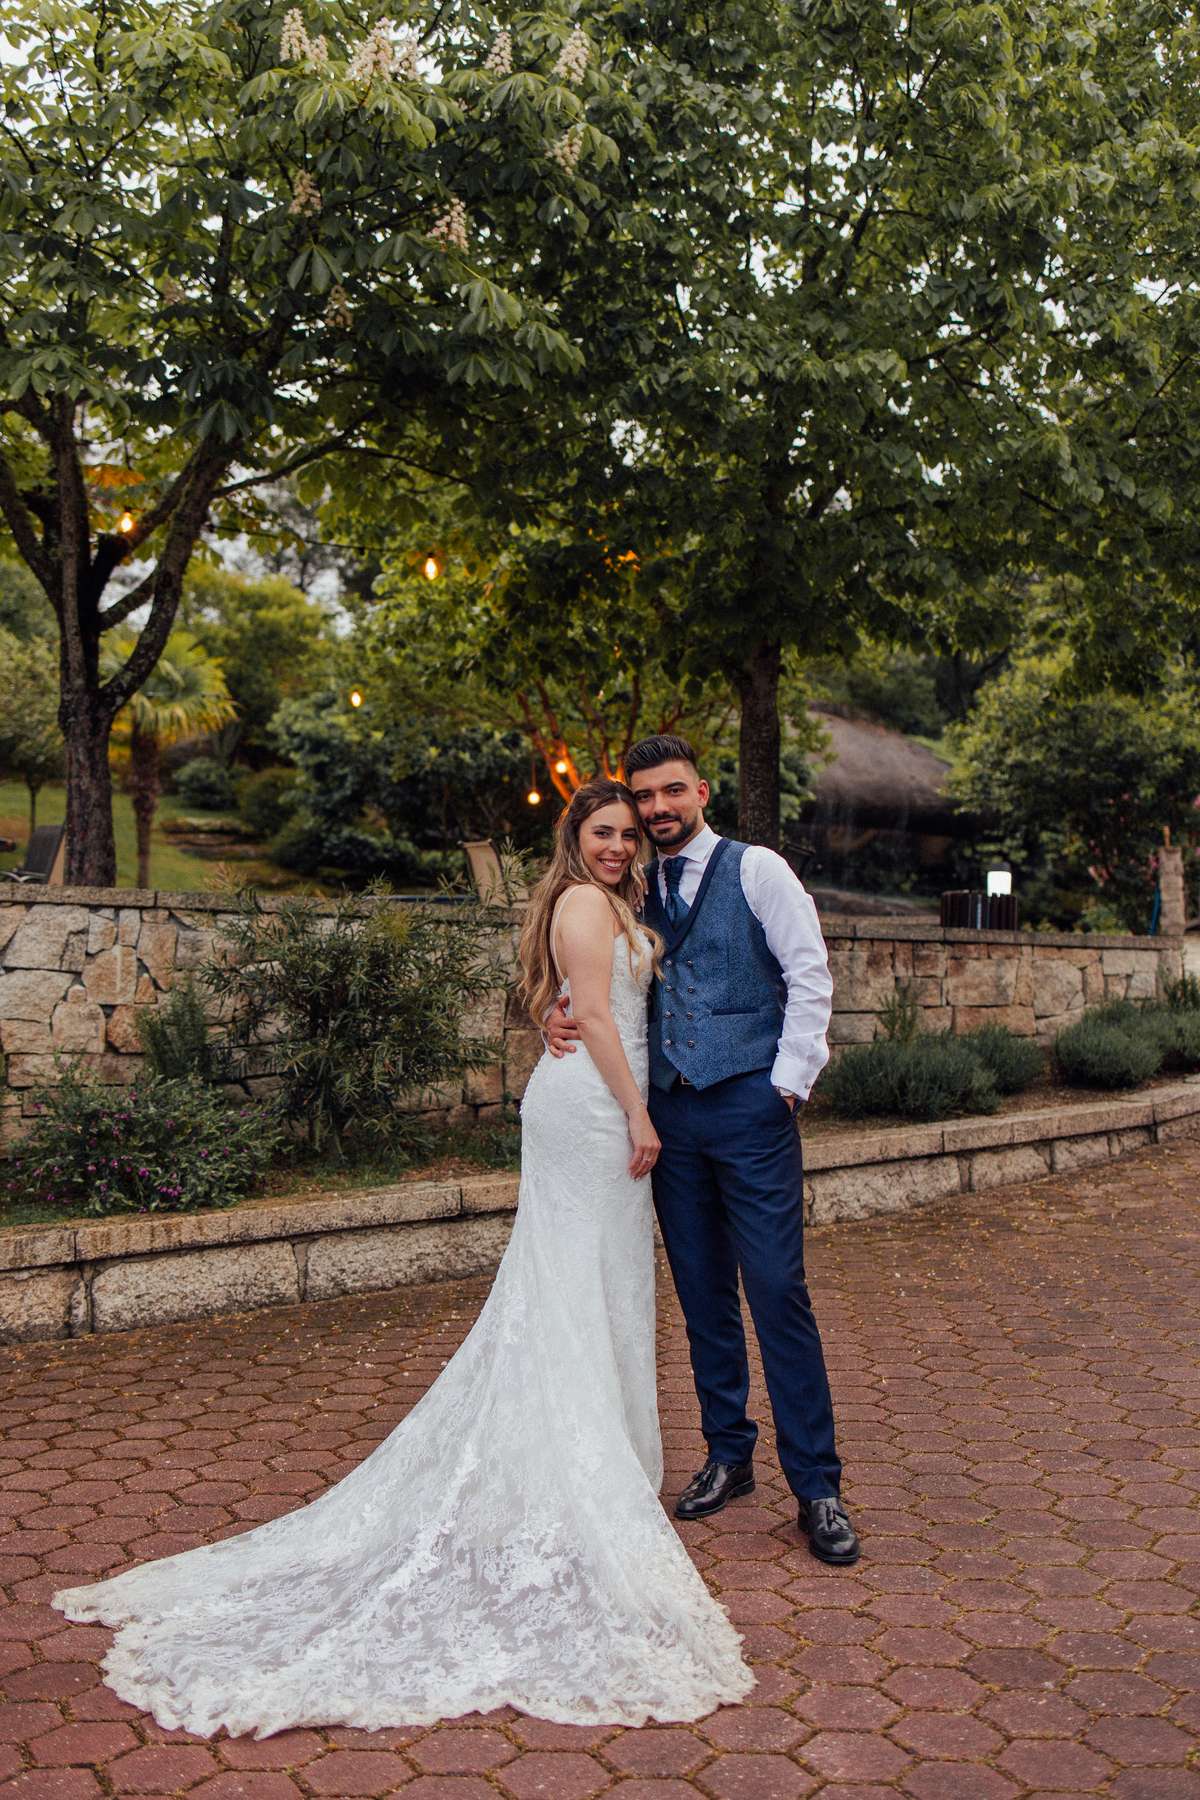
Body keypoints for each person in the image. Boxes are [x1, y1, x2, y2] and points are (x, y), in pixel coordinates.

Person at [50, 778, 752, 1739]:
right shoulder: (587, 903)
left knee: (589, 1289)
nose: (620, 846)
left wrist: (598, 1055)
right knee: (573, 1289)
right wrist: (636, 1112)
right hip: (592, 1113)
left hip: (596, 1102)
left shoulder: (610, 901)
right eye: (604, 832)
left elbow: (568, 1005)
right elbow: (589, 1016)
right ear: (574, 837)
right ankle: (579, 1480)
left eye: (628, 833)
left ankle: (597, 1467)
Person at [547, 737, 858, 1566]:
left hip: (751, 1110)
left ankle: (817, 1486)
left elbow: (809, 975)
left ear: (702, 791)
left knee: (776, 1289)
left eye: (671, 792)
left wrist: (787, 1085)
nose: (656, 810)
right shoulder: (631, 886)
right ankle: (729, 1455)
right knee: (703, 1297)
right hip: (670, 1119)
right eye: (645, 797)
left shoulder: (759, 871)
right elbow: (597, 983)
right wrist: (558, 1017)